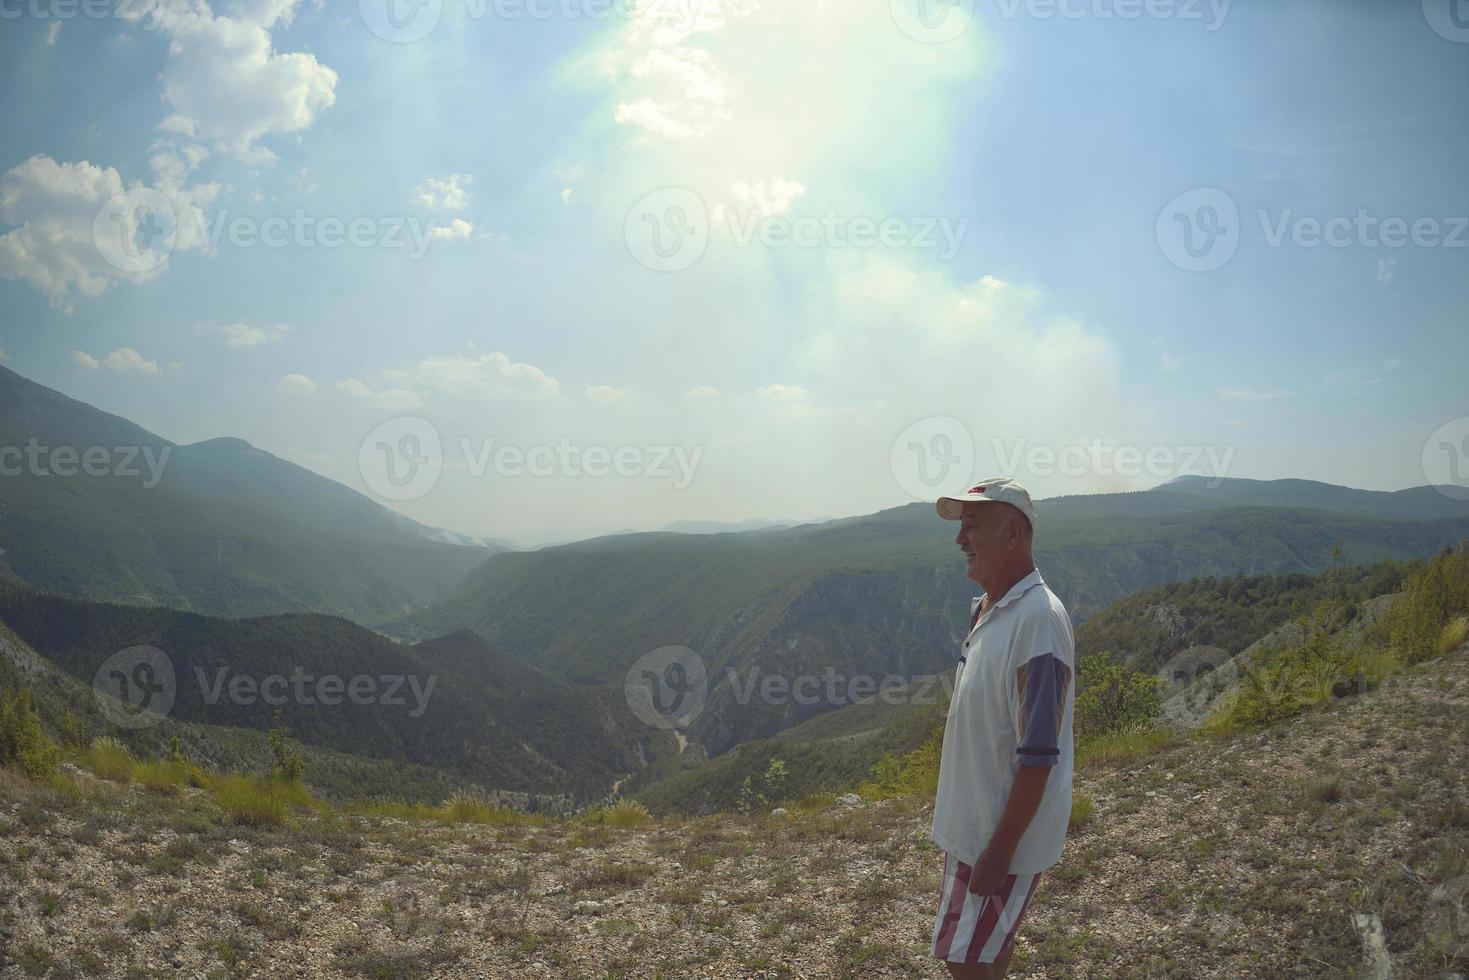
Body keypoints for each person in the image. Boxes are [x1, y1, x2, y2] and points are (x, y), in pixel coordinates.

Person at [929, 479, 1075, 979]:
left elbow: (1038, 754)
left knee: (962, 956)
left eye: (973, 526)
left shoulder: (1036, 621)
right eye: (961, 526)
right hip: (979, 829)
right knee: (986, 950)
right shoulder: (992, 608)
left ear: (1014, 533)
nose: (960, 539)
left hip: (995, 837)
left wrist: (999, 853)